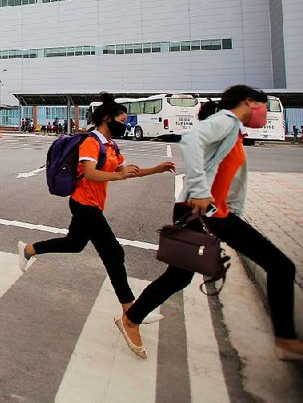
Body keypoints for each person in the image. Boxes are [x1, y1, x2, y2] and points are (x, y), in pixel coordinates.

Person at [117, 85, 303, 361]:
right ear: (249, 102)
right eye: (263, 105)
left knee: (179, 276)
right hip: (202, 211)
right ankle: (286, 340)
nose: (265, 112)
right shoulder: (226, 121)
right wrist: (201, 190)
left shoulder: (234, 130)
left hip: (215, 213)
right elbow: (191, 142)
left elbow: (227, 176)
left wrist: (230, 207)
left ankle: (131, 318)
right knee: (280, 266)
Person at [16, 93, 175, 324]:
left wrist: (156, 169)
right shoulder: (91, 142)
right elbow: (90, 173)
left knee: (74, 244)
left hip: (93, 204)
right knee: (114, 253)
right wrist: (118, 176)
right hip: (84, 204)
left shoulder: (111, 145)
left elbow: (126, 171)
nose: (124, 124)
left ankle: (28, 250)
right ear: (107, 118)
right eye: (121, 121)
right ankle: (131, 312)